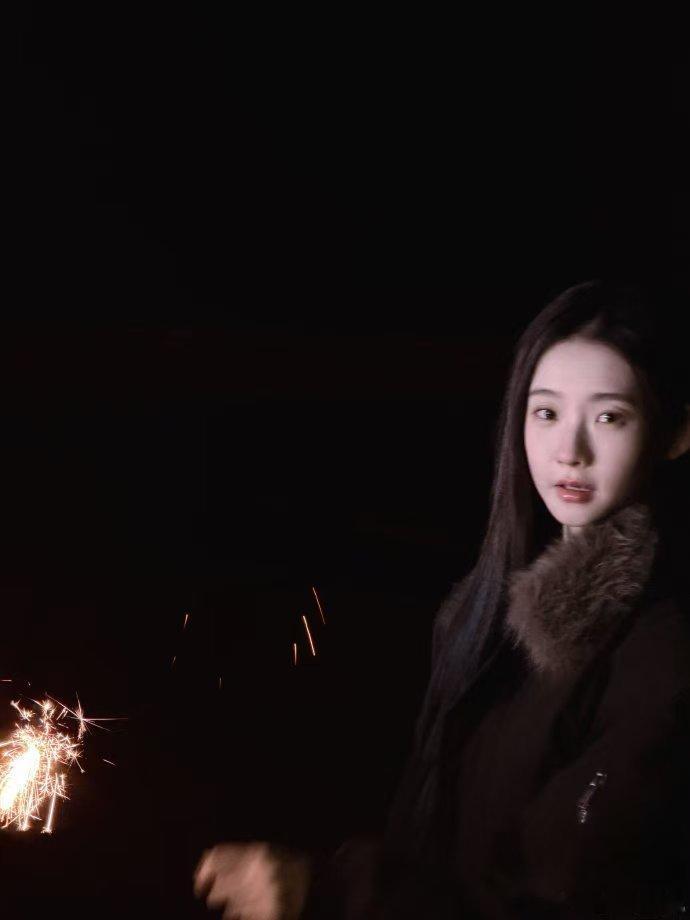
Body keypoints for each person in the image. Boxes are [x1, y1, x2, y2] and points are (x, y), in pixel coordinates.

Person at [194, 280, 690, 919]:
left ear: (676, 433)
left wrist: (328, 892)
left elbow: (558, 894)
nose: (569, 451)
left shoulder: (663, 653)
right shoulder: (487, 611)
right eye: (545, 412)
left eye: (609, 416)